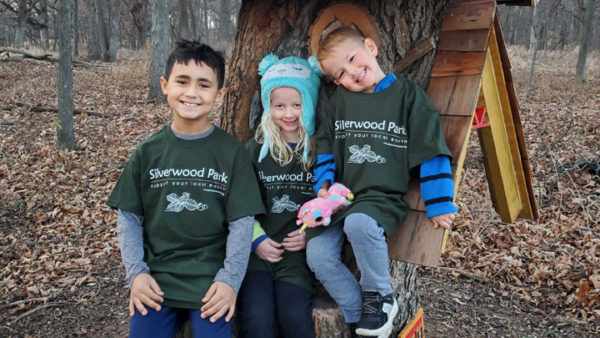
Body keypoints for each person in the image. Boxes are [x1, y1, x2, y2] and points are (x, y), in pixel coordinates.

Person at [107, 40, 265, 338]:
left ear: (219, 95)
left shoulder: (231, 153)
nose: (191, 93)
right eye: (182, 81)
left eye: (203, 85)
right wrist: (137, 274)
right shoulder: (148, 151)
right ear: (165, 85)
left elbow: (242, 223)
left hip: (210, 280)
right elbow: (129, 216)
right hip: (157, 279)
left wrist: (229, 280)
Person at [307, 26, 458, 337]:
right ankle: (356, 311)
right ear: (336, 82)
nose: (353, 72)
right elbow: (326, 149)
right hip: (342, 198)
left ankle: (382, 298)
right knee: (317, 254)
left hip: (380, 197)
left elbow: (430, 150)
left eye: (352, 58)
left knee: (359, 224)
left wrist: (439, 201)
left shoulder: (407, 97)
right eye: (342, 73)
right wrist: (322, 185)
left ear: (371, 46)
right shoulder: (339, 103)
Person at [237, 55, 321, 338]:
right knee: (257, 317)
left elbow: (334, 199)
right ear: (267, 106)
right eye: (279, 105)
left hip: (295, 258)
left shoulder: (320, 151)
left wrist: (312, 233)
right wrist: (256, 239)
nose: (288, 113)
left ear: (308, 104)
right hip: (256, 254)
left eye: (297, 104)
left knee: (295, 316)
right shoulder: (255, 150)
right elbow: (238, 200)